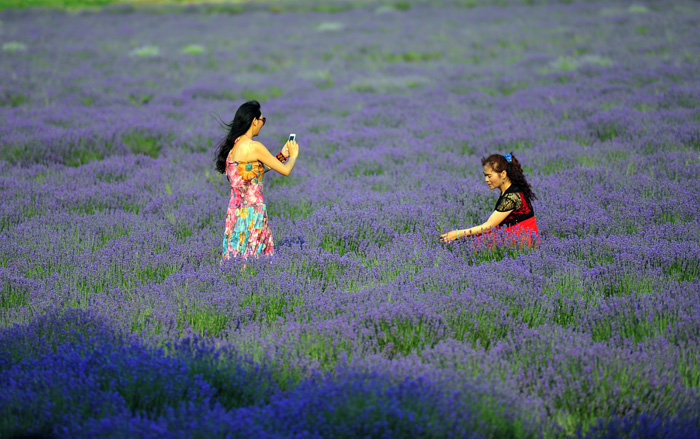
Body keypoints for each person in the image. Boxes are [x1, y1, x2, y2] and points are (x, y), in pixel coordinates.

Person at [215, 100, 299, 260]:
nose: (263, 124)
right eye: (263, 120)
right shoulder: (254, 147)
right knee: (257, 260)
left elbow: (253, 173)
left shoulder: (233, 149)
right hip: (253, 213)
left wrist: (282, 156)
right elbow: (286, 171)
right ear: (254, 121)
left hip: (235, 214)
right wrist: (293, 156)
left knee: (236, 260)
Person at [440, 153, 538, 246]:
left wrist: (457, 234)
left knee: (472, 244)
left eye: (489, 176)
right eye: (485, 175)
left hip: (521, 240)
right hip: (517, 236)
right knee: (469, 239)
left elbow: (488, 227)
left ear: (503, 174)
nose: (486, 180)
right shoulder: (510, 191)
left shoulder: (512, 197)